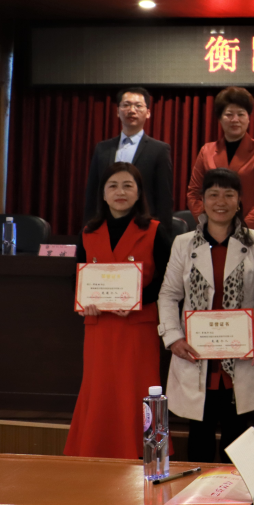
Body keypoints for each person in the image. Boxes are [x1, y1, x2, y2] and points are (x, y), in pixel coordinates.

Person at [159, 168, 254, 462]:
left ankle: (234, 491)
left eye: (229, 194)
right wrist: (173, 338)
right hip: (196, 353)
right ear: (202, 201)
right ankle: (197, 492)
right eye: (213, 194)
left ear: (239, 201)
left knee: (238, 438)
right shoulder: (184, 243)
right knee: (199, 437)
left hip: (241, 354)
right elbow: (169, 294)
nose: (220, 201)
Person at [64, 162, 173, 459]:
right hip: (99, 327)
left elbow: (169, 279)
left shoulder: (155, 230)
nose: (120, 192)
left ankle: (149, 457)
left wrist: (138, 298)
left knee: (139, 392)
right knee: (99, 392)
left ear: (139, 193)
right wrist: (83, 300)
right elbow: (77, 277)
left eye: (128, 185)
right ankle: (94, 452)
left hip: (138, 326)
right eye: (112, 186)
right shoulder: (89, 232)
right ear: (103, 193)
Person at [185, 86, 254, 231]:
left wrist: (243, 227)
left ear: (249, 118)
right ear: (220, 119)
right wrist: (208, 223)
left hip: (248, 230)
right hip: (211, 230)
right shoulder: (206, 150)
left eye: (241, 114)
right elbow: (193, 193)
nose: (235, 119)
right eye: (229, 114)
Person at [85, 87, 173, 227]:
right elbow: (92, 193)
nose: (132, 110)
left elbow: (164, 198)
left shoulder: (159, 150)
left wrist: (162, 234)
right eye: (126, 105)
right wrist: (89, 227)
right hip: (106, 224)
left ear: (148, 113)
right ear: (117, 111)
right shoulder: (102, 149)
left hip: (143, 225)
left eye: (138, 106)